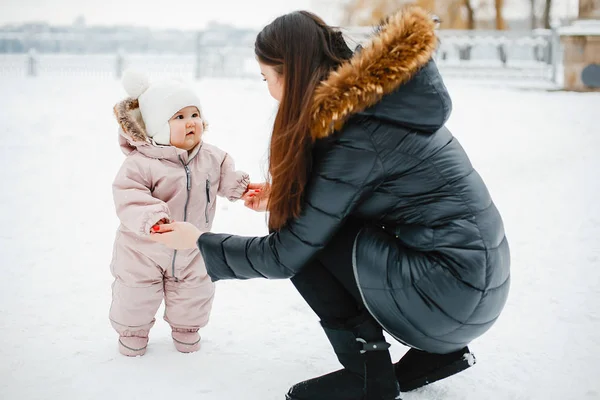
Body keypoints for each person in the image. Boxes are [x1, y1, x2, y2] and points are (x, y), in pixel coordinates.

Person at [150, 6, 510, 399]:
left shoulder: (356, 133)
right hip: (476, 288)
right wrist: (289, 194)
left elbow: (285, 255)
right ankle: (436, 356)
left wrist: (199, 242)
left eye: (267, 77)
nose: (268, 89)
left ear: (294, 71)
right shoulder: (379, 104)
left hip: (449, 298)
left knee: (300, 239)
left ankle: (366, 374)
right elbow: (376, 191)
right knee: (308, 222)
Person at [109, 70, 249, 356]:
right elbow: (129, 196)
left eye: (195, 115)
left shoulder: (212, 157)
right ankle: (133, 334)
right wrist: (152, 217)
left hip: (192, 245)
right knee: (136, 294)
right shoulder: (141, 164)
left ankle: (187, 330)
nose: (191, 123)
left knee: (194, 291)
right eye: (180, 117)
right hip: (142, 249)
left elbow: (225, 176)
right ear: (159, 127)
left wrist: (241, 187)